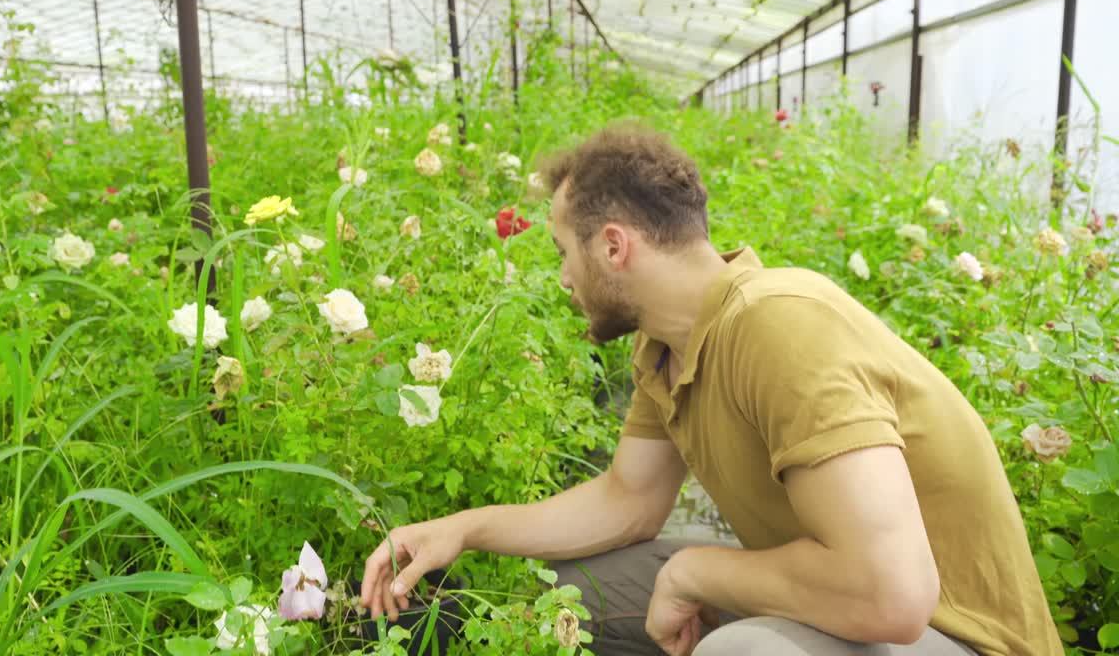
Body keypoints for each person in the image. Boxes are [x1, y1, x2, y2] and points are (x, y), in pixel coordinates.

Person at [358, 124, 1061, 656]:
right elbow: (628, 501)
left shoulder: (780, 324)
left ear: (613, 246)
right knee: (572, 596)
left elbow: (895, 596)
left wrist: (695, 573)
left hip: (954, 635)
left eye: (563, 252)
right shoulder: (667, 343)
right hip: (851, 599)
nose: (564, 277)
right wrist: (464, 528)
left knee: (742, 650)